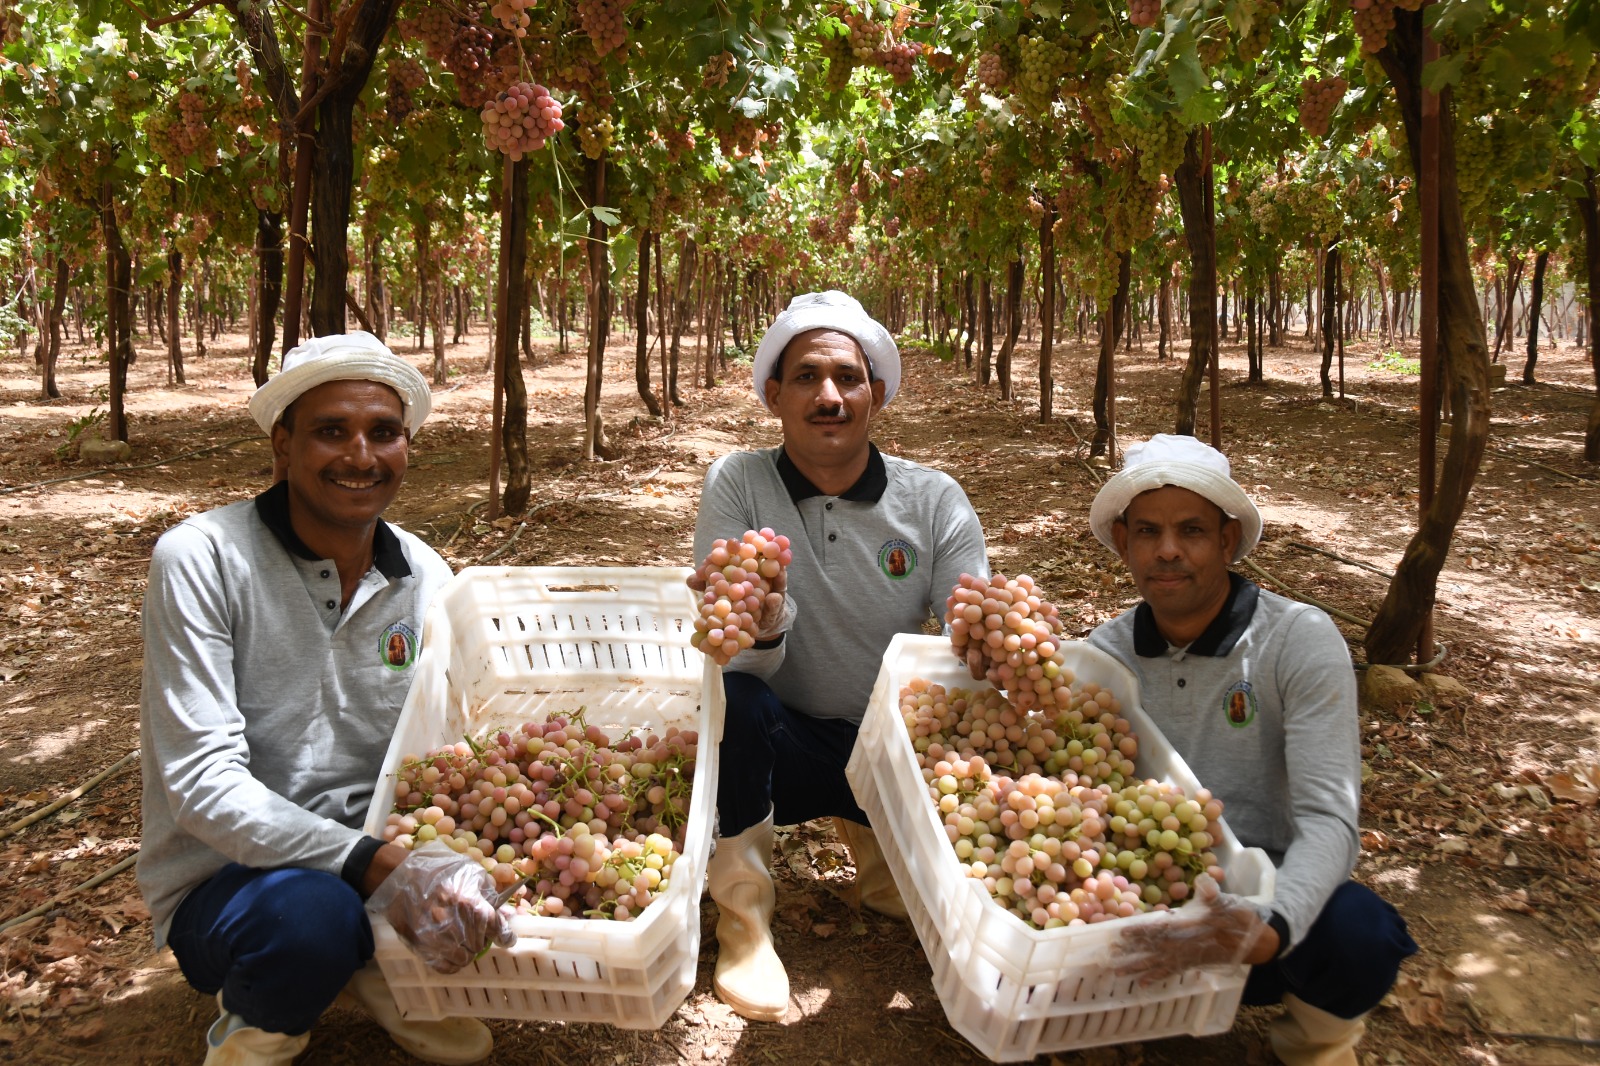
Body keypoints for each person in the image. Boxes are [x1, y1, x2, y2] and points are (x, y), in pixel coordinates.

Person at [138, 332, 511, 1066]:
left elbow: (443, 745)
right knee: (312, 918)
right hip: (236, 880)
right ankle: (263, 1024)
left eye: (384, 432)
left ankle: (374, 966)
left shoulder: (425, 576)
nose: (361, 456)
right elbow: (202, 784)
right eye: (331, 432)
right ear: (284, 444)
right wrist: (380, 868)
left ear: (407, 447)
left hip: (378, 854)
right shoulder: (203, 559)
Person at [690, 291, 990, 1022]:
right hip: (782, 746)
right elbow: (732, 653)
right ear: (773, 396)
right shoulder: (739, 483)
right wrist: (765, 623)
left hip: (894, 751)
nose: (829, 396)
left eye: (848, 378)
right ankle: (744, 919)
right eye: (806, 377)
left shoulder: (933, 500)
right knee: (738, 703)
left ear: (875, 395)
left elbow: (970, 633)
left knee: (967, 716)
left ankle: (885, 856)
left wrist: (993, 637)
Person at [1085, 434, 1417, 1066]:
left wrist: (1272, 925)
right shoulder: (1104, 655)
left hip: (1264, 896)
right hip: (1144, 887)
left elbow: (1330, 818)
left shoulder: (1297, 640)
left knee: (1359, 935)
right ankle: (1114, 1017)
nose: (1168, 550)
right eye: (1148, 531)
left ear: (1228, 540)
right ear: (1124, 543)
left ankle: (1315, 1048)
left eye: (1192, 530)